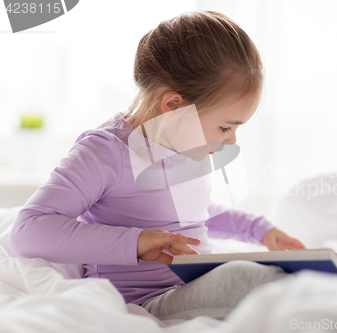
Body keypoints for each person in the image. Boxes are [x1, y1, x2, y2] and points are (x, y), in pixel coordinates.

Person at [9, 10, 306, 321]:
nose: (231, 141)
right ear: (174, 106)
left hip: (192, 282)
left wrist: (257, 229)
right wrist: (135, 242)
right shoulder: (105, 152)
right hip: (146, 300)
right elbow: (28, 230)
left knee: (275, 276)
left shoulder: (181, 145)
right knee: (254, 282)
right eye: (225, 127)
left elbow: (192, 215)